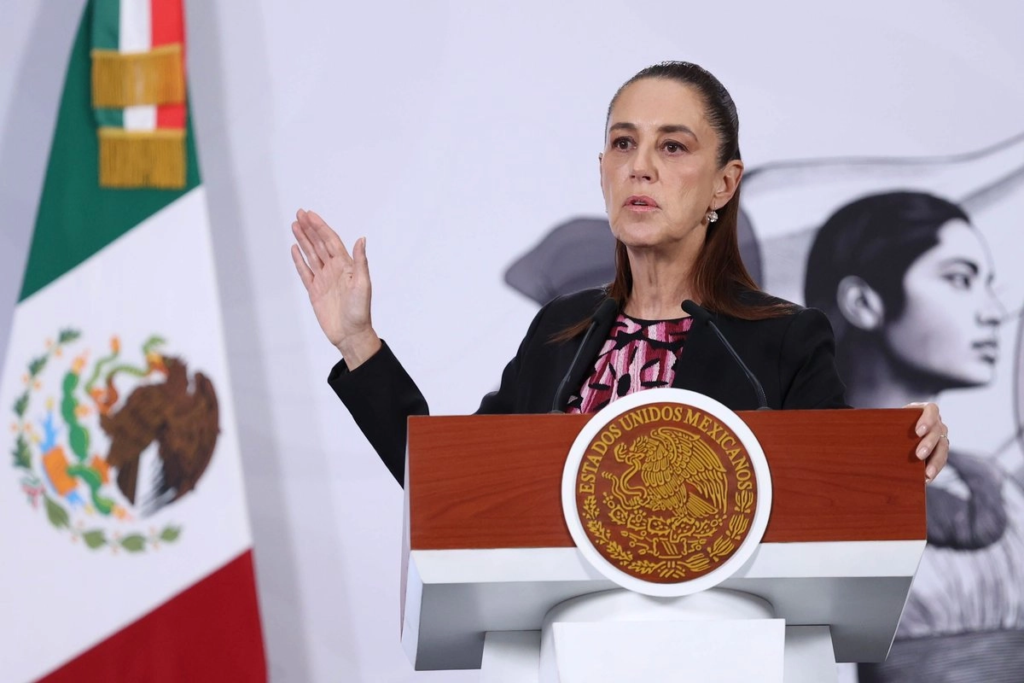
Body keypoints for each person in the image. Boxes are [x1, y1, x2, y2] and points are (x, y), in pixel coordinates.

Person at [289, 61, 949, 489]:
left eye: (672, 146)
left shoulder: (785, 341)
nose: (640, 166)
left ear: (724, 184)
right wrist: (358, 342)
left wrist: (904, 450)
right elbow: (453, 483)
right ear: (602, 170)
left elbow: (837, 493)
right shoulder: (560, 334)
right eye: (624, 143)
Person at [804, 191, 1024, 682]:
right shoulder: (802, 483)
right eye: (960, 279)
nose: (993, 312)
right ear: (863, 303)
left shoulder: (996, 484)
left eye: (988, 284)